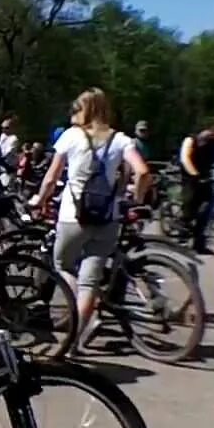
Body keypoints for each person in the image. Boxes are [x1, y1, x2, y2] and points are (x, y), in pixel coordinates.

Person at [33, 88, 151, 351]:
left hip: (73, 217)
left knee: (61, 265)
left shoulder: (71, 136)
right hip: (108, 219)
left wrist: (39, 200)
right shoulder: (121, 140)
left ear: (84, 110)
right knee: (90, 281)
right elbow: (143, 172)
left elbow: (51, 178)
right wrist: (136, 199)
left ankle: (80, 313)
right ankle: (74, 341)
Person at [179, 121, 214, 253]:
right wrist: (194, 174)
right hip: (190, 177)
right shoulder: (190, 140)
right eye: (212, 132)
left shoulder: (213, 143)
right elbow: (185, 158)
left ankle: (199, 244)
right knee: (189, 205)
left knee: (205, 212)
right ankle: (183, 232)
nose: (213, 135)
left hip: (206, 178)